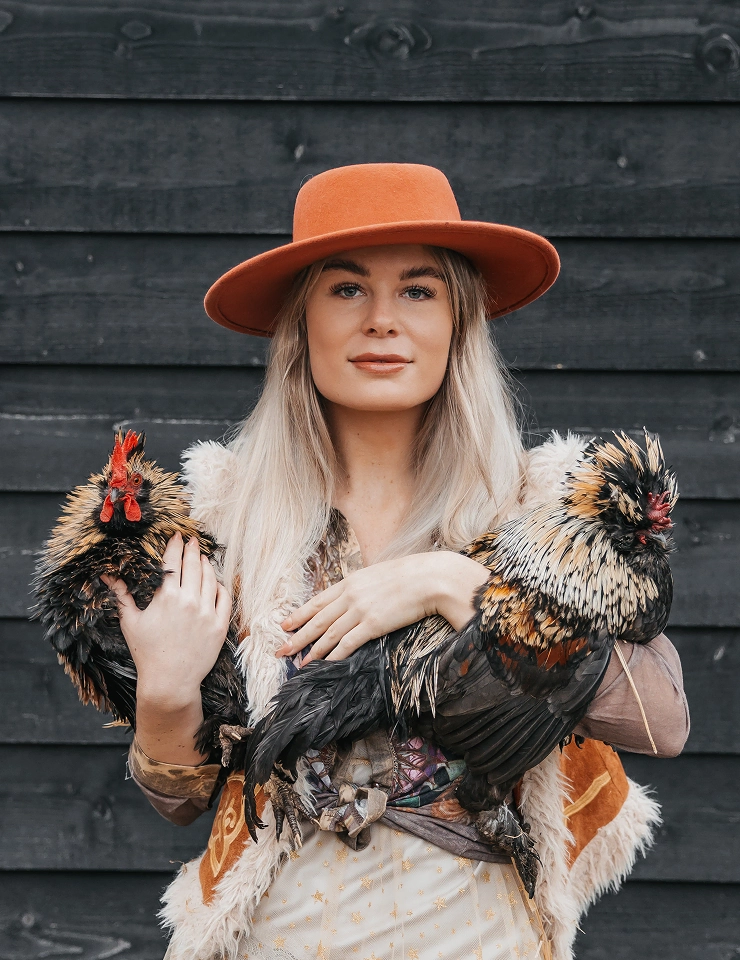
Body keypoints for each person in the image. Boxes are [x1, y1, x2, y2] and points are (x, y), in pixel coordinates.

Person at [106, 164, 689, 960]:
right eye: (346, 290)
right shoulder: (223, 515)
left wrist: (454, 584)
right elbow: (181, 798)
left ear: (458, 321)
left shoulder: (537, 505)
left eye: (418, 291)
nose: (382, 319)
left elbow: (660, 716)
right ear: (301, 321)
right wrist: (167, 695)